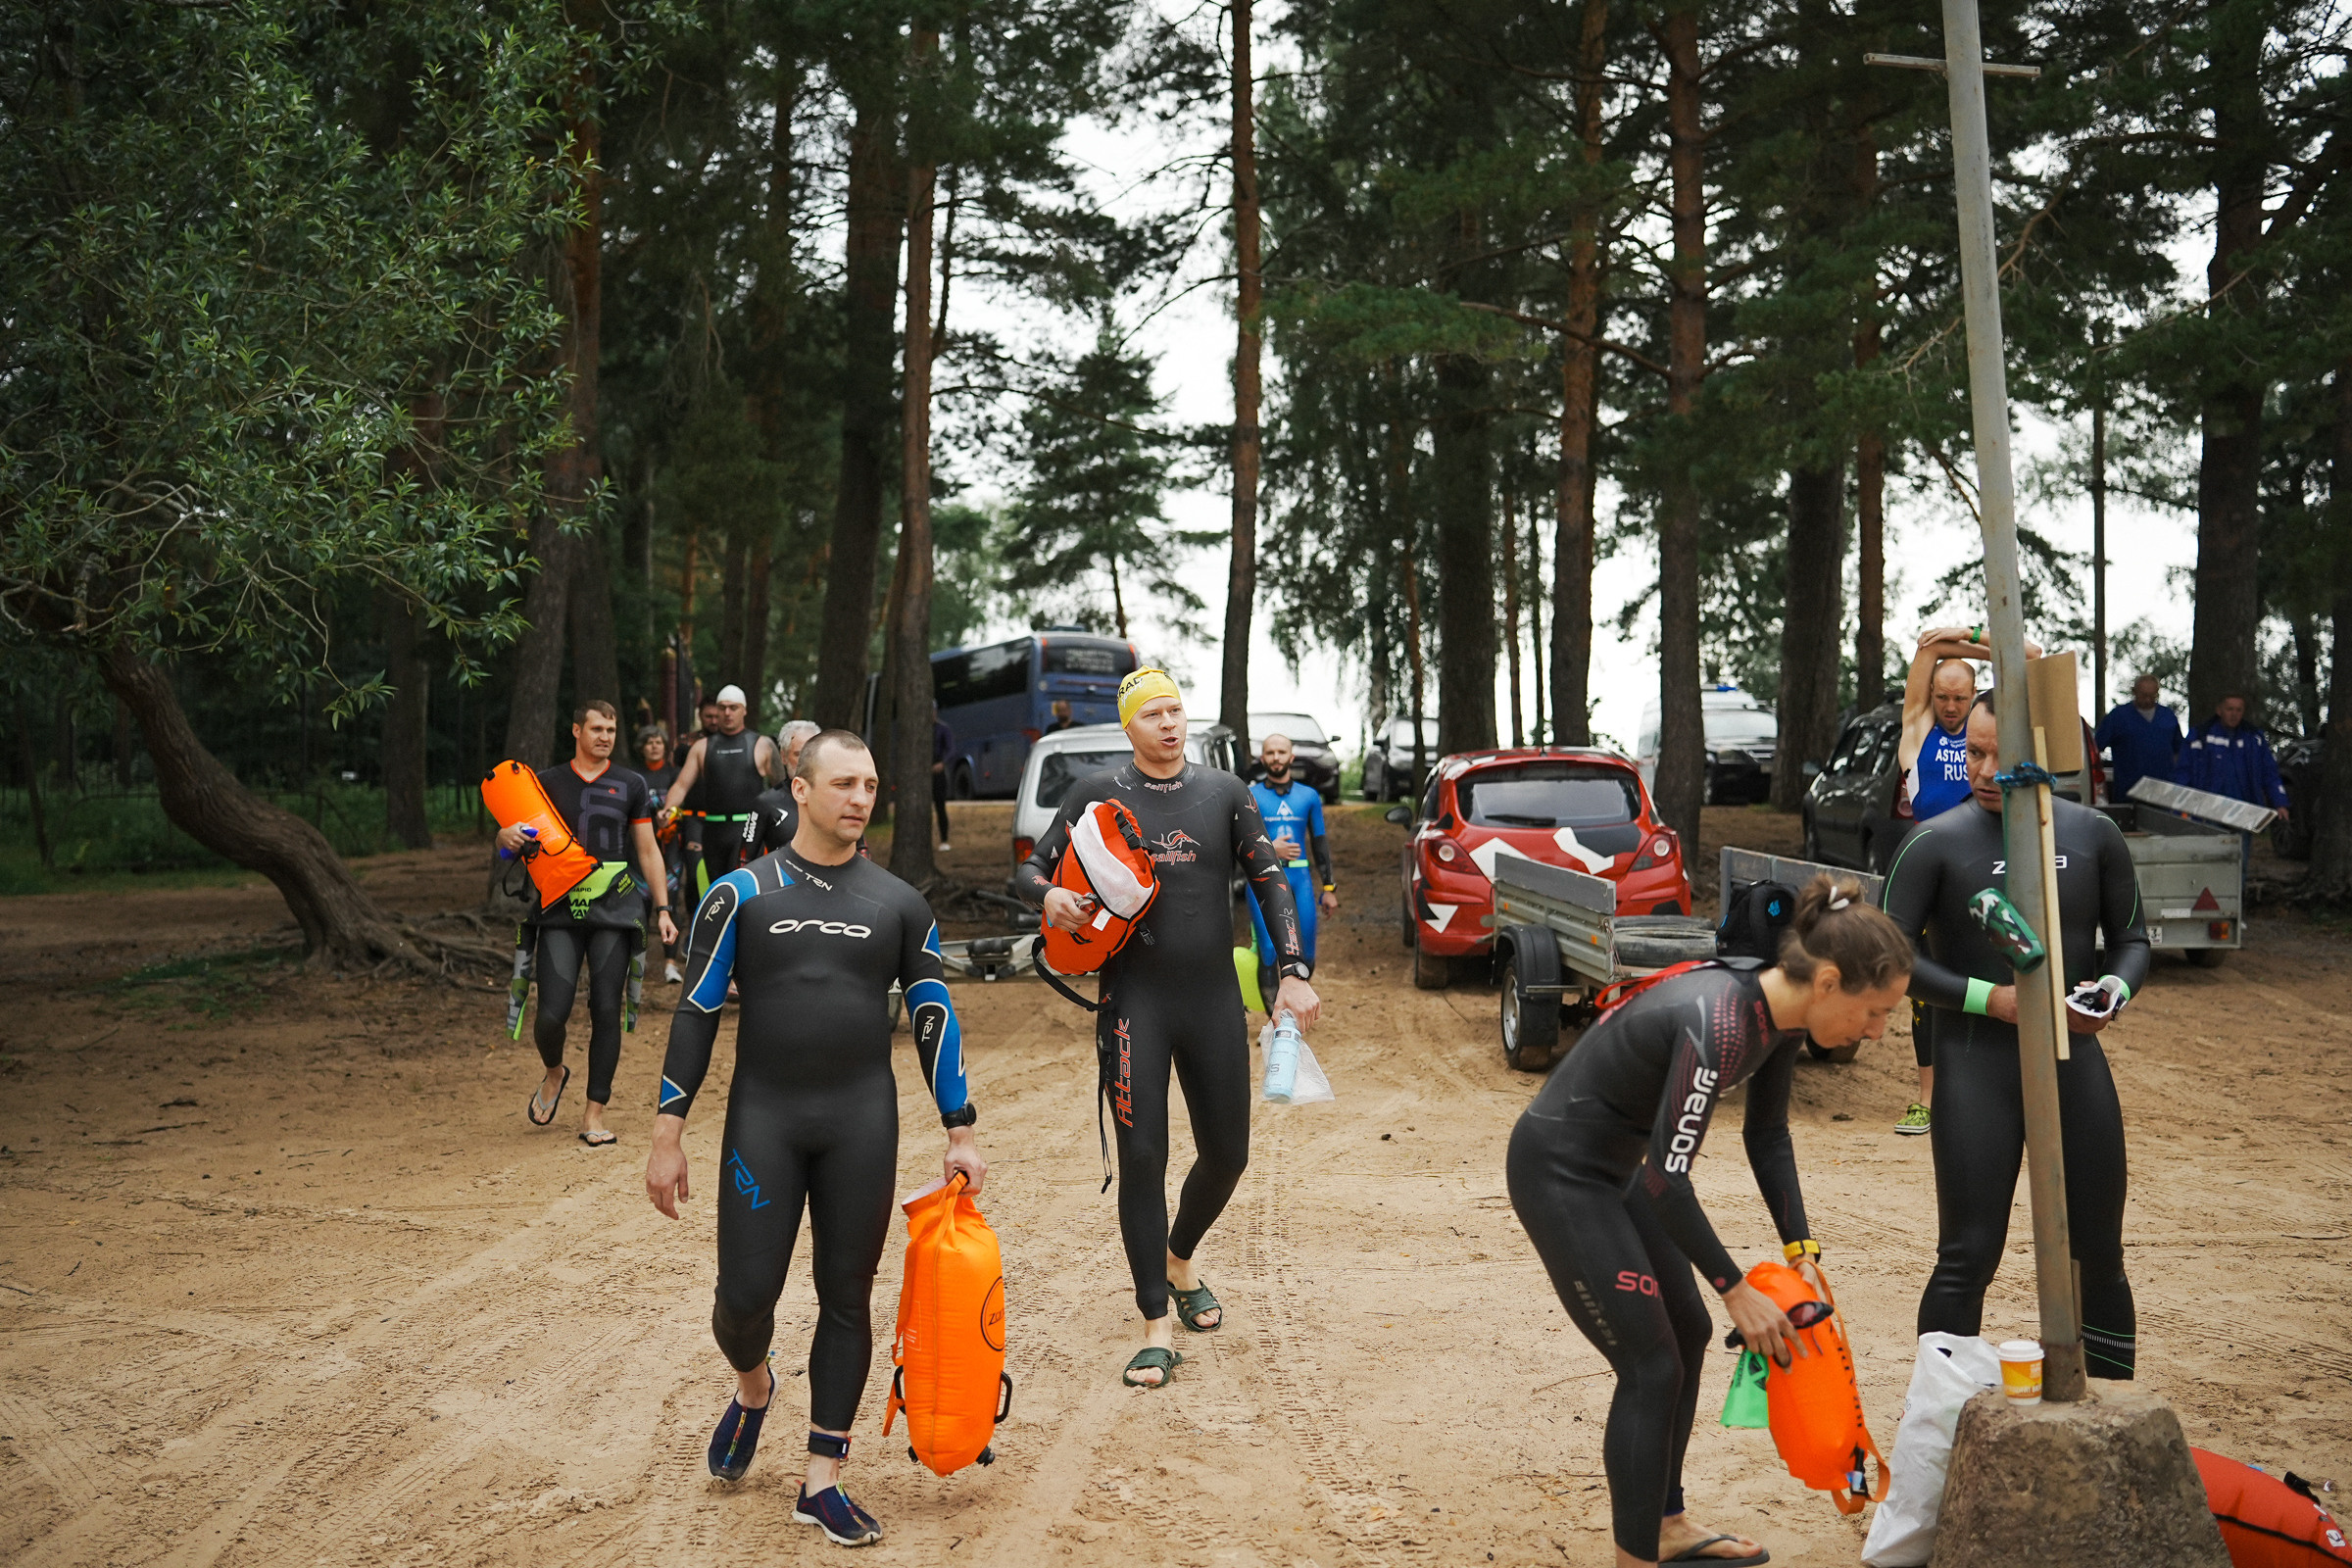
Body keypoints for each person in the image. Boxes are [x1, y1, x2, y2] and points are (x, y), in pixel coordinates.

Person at [1508, 875, 1913, 1568]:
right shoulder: (1718, 1019)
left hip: (1617, 1169)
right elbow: (1670, 1179)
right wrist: (1735, 1287)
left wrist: (1800, 1248)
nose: (1876, 1033)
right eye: (1873, 1012)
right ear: (1828, 983)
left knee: (1687, 1335)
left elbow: (1769, 1134)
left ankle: (1664, 1525)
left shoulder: (1781, 1017)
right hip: (1561, 1173)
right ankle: (1634, 1558)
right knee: (1650, 1365)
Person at [646, 728, 983, 1547]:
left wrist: (960, 1128)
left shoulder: (900, 903)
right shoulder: (739, 895)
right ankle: (753, 1387)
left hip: (861, 1122)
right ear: (799, 789)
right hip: (765, 1121)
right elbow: (695, 1015)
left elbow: (933, 1012)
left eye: (869, 784)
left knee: (848, 1297)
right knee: (743, 1301)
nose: (861, 798)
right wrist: (667, 1134)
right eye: (844, 783)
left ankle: (821, 1477)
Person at [1016, 668, 1318, 1389]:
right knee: (1143, 1157)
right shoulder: (1096, 793)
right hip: (1135, 1004)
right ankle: (1155, 1323)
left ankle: (1179, 1256)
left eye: (1176, 711)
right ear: (1130, 727)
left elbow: (1271, 878)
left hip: (1212, 1000)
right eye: (1152, 714)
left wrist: (1294, 969)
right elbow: (1029, 870)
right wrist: (1054, 893)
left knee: (1228, 1156)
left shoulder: (1224, 793)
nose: (1169, 724)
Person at [1880, 690, 2151, 1380]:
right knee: (1968, 1252)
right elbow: (1888, 957)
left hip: (2073, 1058)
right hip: (1976, 1066)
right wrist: (1989, 999)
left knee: (2098, 1252)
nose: (1983, 768)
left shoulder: (2093, 836)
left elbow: (2131, 941)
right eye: (1974, 751)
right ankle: (1936, 1417)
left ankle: (2112, 1416)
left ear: (2044, 757)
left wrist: (2109, 993)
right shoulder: (1935, 842)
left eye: (2003, 755)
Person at [500, 701, 678, 1146]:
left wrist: (663, 909)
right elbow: (512, 837)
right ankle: (555, 1070)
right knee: (551, 1015)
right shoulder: (546, 782)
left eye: (612, 729)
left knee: (605, 1010)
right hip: (558, 908)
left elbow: (649, 850)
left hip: (615, 911)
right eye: (597, 728)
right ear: (576, 730)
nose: (605, 736)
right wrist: (505, 838)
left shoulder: (631, 783)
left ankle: (594, 1113)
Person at [1887, 624, 2042, 1137]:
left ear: (1975, 694)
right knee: (1926, 987)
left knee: (2007, 971)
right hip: (1934, 875)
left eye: (1959, 696)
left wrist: (1971, 636)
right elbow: (1927, 649)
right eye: (1942, 696)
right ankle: (1927, 1100)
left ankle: (2024, 1089)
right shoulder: (1917, 731)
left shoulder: (1989, 737)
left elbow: (2031, 654)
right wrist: (1949, 642)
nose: (1950, 706)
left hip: (1989, 866)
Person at [1246, 733, 1338, 1010]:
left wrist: (1330, 888)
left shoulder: (1309, 796)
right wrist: (1270, 849)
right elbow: (1240, 842)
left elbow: (1320, 844)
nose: (1276, 758)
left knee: (1306, 953)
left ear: (1291, 757)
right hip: (1262, 880)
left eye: (1281, 752)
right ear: (1263, 758)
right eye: (1270, 753)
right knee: (1269, 951)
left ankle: (1294, 1005)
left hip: (1300, 879)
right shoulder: (1250, 795)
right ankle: (1275, 1023)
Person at [664, 684, 776, 898]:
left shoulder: (762, 744)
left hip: (748, 830)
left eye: (733, 708)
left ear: (744, 709)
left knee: (743, 892)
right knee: (716, 892)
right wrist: (667, 810)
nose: (726, 713)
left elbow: (781, 788)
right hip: (713, 831)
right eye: (722, 707)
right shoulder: (702, 746)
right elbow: (681, 785)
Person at [636, 727, 685, 984]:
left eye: (659, 742)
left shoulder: (674, 774)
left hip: (671, 850)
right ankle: (638, 961)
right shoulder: (635, 777)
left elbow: (685, 807)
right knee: (641, 907)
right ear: (642, 747)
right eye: (649, 742)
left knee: (670, 905)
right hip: (641, 851)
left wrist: (671, 818)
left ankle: (670, 965)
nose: (654, 746)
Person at [2094, 675, 2184, 803]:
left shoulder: (2168, 717)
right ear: (2134, 692)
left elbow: (2179, 750)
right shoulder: (2118, 717)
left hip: (2163, 793)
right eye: (2143, 695)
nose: (2147, 700)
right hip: (2129, 792)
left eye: (2152, 696)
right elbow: (2096, 747)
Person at [742, 719, 821, 858]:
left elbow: (860, 852)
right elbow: (744, 860)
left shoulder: (836, 798)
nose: (805, 760)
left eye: (810, 753)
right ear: (783, 757)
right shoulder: (765, 803)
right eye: (798, 754)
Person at [674, 697, 722, 904]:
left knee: (722, 873)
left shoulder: (735, 742)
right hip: (694, 817)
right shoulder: (686, 742)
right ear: (700, 716)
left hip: (723, 819)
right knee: (694, 873)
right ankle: (692, 919)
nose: (713, 721)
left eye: (716, 716)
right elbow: (676, 778)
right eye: (708, 716)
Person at [931, 705, 955, 854]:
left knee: (940, 807)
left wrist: (942, 763)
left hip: (938, 771)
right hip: (924, 772)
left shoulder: (943, 729)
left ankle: (944, 839)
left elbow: (951, 749)